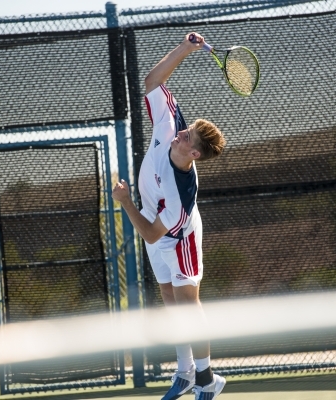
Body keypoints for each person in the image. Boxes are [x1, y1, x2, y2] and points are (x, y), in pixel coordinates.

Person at [112, 32, 227, 400]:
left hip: (178, 238)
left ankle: (208, 379)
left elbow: (151, 235)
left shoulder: (181, 195)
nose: (180, 133)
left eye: (186, 137)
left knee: (188, 305)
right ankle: (185, 372)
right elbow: (152, 82)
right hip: (151, 217)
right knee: (167, 295)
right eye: (186, 128)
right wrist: (186, 48)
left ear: (193, 154)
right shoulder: (169, 126)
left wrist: (125, 202)